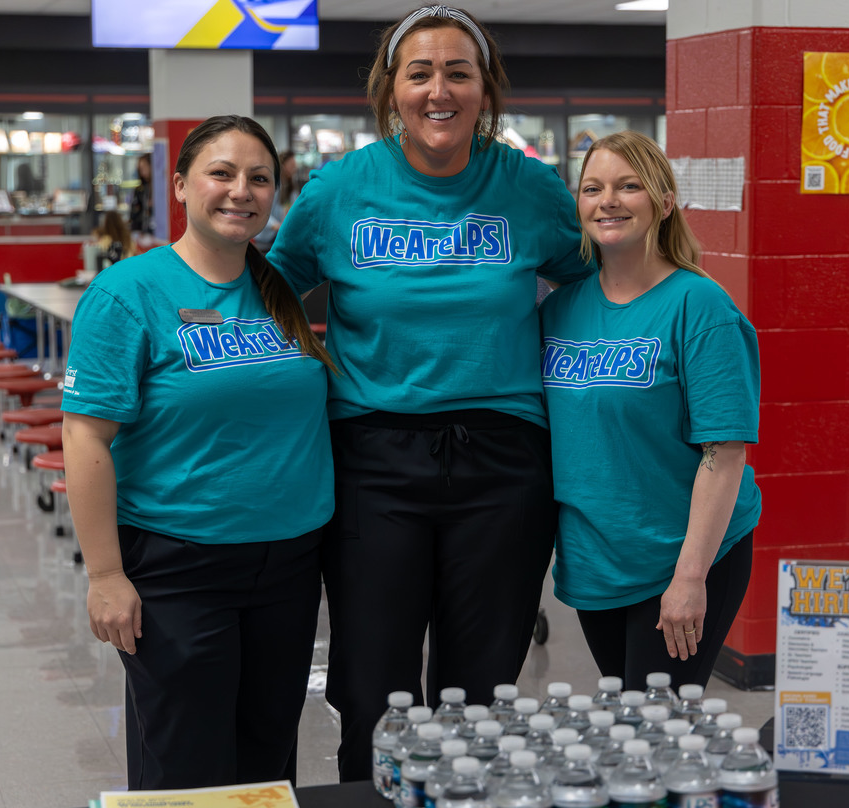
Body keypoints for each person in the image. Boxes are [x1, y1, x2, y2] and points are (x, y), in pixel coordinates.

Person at [268, 3, 593, 782]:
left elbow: (594, 291)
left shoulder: (531, 189)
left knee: (480, 682)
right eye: (420, 72)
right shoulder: (338, 190)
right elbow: (271, 296)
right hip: (375, 458)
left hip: (505, 460)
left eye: (458, 71)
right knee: (372, 676)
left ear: (486, 89)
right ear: (391, 88)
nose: (438, 89)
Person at [61, 115, 335, 790]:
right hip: (180, 569)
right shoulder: (129, 293)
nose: (241, 191)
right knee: (187, 770)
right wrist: (104, 576)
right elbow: (86, 435)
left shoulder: (280, 293)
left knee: (267, 760)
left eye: (260, 178)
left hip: (291, 564)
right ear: (180, 185)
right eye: (222, 173)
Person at [539, 131, 761, 691]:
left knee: (655, 731)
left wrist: (690, 577)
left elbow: (724, 451)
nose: (607, 200)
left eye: (628, 186)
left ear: (663, 203)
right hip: (597, 561)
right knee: (630, 721)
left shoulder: (699, 305)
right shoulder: (560, 309)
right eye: (593, 188)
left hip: (678, 557)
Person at [254, 149, 300, 252]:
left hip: (278, 235)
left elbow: (294, 206)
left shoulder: (290, 184)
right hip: (265, 237)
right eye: (292, 164)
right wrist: (276, 225)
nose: (295, 167)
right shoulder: (273, 183)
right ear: (283, 165)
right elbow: (262, 209)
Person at [129, 152, 154, 235]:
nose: (143, 172)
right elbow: (135, 211)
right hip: (142, 229)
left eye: (144, 168)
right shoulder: (141, 189)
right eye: (140, 169)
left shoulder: (158, 187)